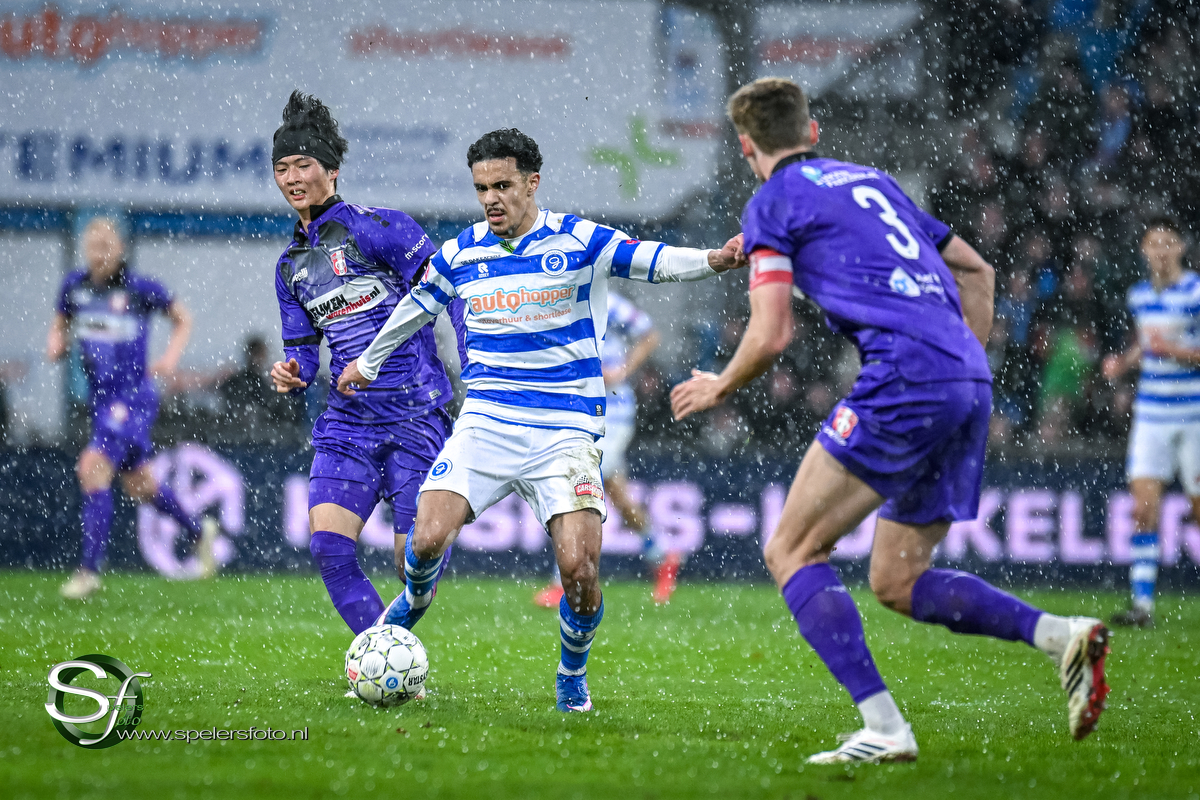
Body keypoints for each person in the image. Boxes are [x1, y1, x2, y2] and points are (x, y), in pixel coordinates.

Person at [671, 78, 1110, 763]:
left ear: (747, 147)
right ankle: (1063, 636)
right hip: (966, 376)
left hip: (905, 375)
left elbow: (773, 332)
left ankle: (885, 729)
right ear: (812, 133)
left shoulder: (773, 201)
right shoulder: (871, 181)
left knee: (791, 550)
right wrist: (959, 362)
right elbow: (977, 271)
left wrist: (721, 383)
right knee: (898, 580)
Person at [336, 128, 746, 712]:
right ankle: (414, 602)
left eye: (503, 186)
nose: (491, 199)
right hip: (486, 423)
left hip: (565, 430)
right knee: (422, 543)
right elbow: (416, 307)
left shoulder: (578, 240)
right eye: (482, 188)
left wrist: (714, 260)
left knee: (579, 571)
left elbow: (650, 260)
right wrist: (368, 362)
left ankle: (571, 675)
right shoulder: (462, 253)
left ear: (532, 183)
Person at [268, 91, 466, 636]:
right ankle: (380, 656)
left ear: (331, 170)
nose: (292, 178)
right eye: (282, 168)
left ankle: (388, 649)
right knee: (329, 547)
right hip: (348, 423)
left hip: (416, 416)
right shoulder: (289, 268)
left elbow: (453, 290)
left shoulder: (382, 228)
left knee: (414, 564)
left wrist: (474, 364)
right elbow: (304, 352)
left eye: (303, 164)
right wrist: (293, 371)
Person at [51, 217, 216, 599]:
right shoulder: (75, 287)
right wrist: (56, 341)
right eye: (93, 245)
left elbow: (182, 318)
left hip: (133, 399)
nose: (99, 252)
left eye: (106, 245)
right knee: (140, 485)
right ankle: (198, 531)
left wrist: (170, 358)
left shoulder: (140, 289)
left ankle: (89, 572)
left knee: (91, 468)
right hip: (101, 402)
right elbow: (60, 323)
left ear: (120, 249)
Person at [533, 291, 681, 607]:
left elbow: (650, 334)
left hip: (613, 411)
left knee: (582, 487)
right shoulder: (557, 300)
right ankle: (662, 555)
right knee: (618, 496)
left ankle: (564, 581)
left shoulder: (607, 301)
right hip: (578, 409)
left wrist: (623, 370)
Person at [1102, 216, 1199, 628]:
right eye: (1154, 243)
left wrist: (1173, 351)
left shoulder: (1195, 292)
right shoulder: (1139, 296)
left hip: (1193, 413)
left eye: (1168, 242)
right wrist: (1123, 363)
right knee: (1143, 509)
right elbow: (1147, 344)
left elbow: (1167, 346)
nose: (1161, 250)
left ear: (1180, 248)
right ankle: (1142, 605)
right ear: (1144, 250)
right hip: (1151, 414)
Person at [217, 334, 303, 445]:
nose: (260, 359)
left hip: (239, 437)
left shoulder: (237, 381)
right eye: (260, 355)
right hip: (258, 438)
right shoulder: (259, 384)